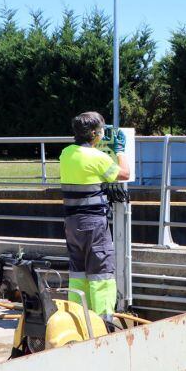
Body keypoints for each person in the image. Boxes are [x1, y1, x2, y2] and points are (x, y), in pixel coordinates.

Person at [59, 111, 130, 321]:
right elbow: (124, 173)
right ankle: (103, 321)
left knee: (78, 271)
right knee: (101, 271)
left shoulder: (66, 153)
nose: (102, 133)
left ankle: (77, 317)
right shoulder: (97, 157)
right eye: (101, 129)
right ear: (93, 133)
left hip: (72, 223)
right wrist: (120, 151)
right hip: (93, 223)